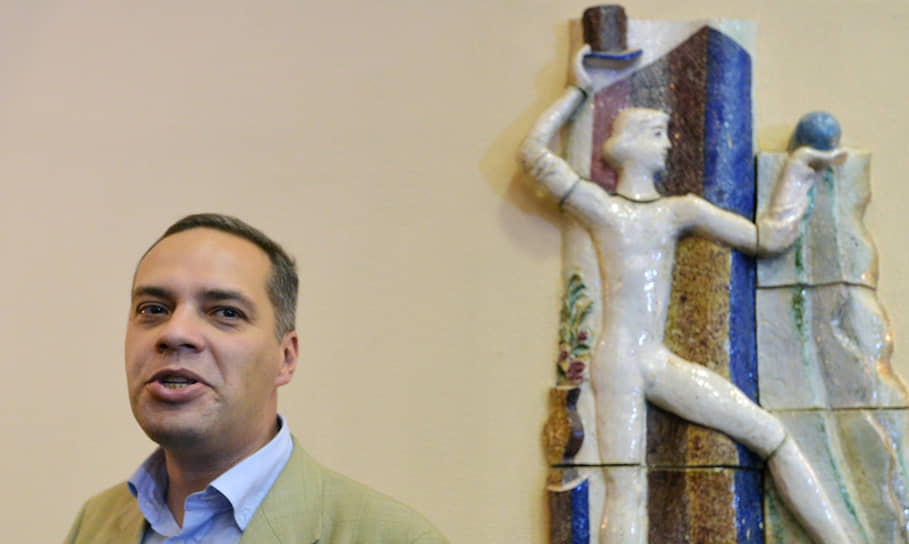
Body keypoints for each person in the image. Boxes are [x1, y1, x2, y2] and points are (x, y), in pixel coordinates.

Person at [519, 46, 850, 544]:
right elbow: (533, 154)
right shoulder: (605, 210)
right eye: (657, 135)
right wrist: (578, 88)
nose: (669, 145)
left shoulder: (680, 210)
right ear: (630, 145)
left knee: (770, 434)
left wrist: (799, 169)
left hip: (655, 360)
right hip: (620, 364)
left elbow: (769, 238)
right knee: (626, 488)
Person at [65, 214, 448, 544]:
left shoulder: (394, 538)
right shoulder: (95, 523)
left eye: (226, 312)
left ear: (286, 358)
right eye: (153, 309)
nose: (175, 332)